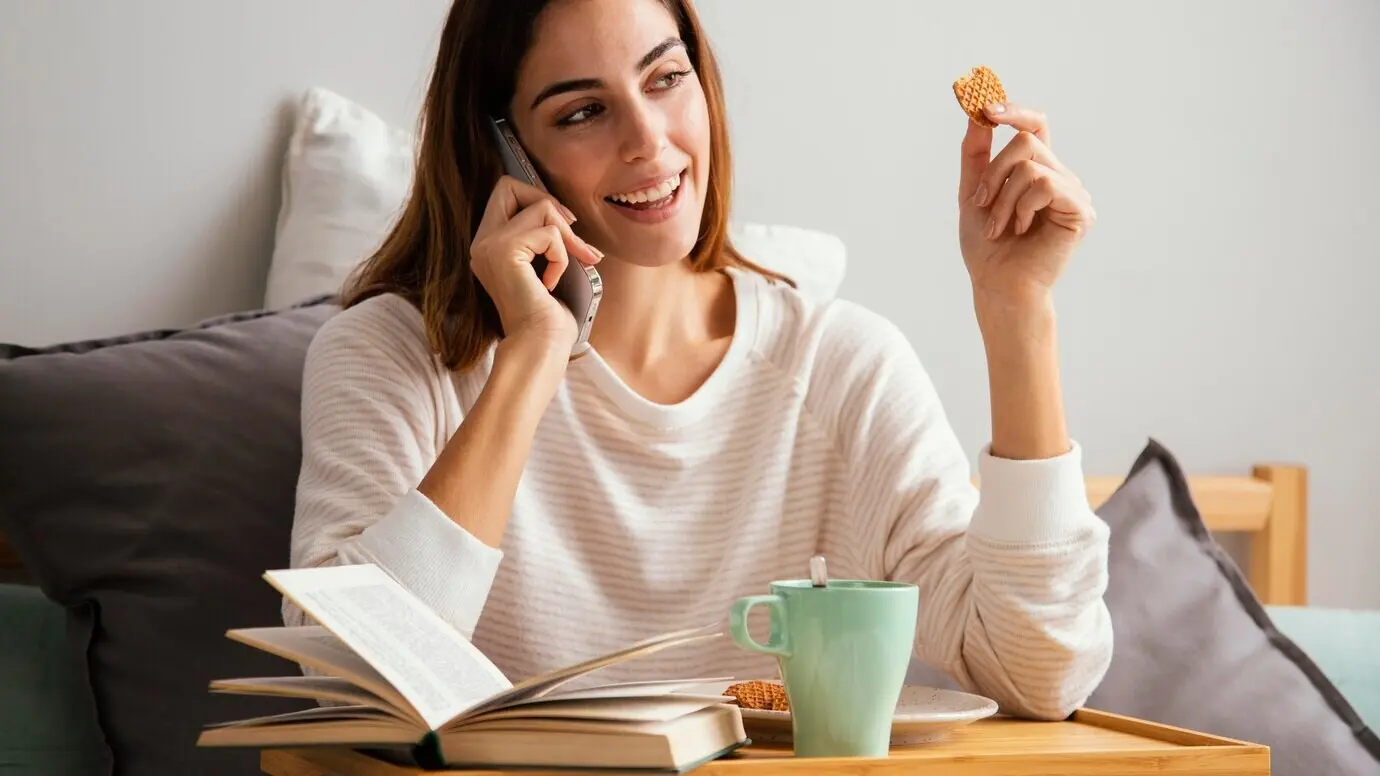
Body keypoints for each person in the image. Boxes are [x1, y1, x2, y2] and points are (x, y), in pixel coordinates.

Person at [285, 0, 1113, 721]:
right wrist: (535, 357)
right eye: (581, 113)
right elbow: (355, 688)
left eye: (665, 79)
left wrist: (1018, 314)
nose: (648, 141)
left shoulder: (838, 367)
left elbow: (1041, 671)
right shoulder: (389, 357)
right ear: (503, 150)